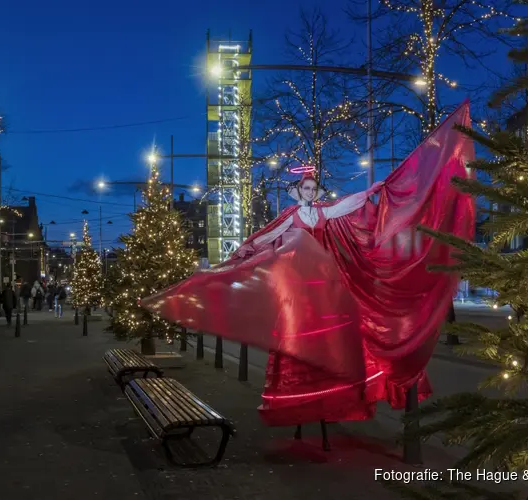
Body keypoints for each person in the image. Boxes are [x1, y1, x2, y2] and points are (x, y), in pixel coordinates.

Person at [141, 101, 476, 450]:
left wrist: (374, 190)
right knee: (300, 343)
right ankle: (300, 406)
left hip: (325, 290)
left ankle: (331, 402)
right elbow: (267, 237)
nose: (310, 193)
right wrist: (242, 253)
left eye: (314, 189)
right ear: (298, 191)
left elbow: (349, 204)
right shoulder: (291, 216)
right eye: (306, 189)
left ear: (317, 191)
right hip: (299, 293)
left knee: (334, 340)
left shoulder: (324, 212)